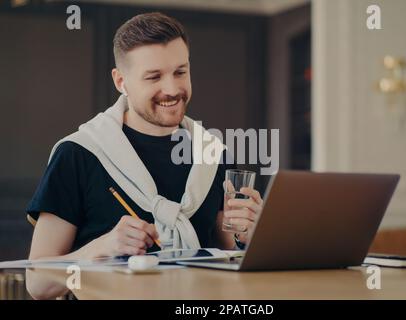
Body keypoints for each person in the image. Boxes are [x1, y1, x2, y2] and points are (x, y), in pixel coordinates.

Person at [25, 12, 263, 300]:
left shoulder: (213, 153)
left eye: (180, 72)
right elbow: (38, 284)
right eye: (154, 77)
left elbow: (228, 257)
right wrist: (102, 248)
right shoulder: (78, 154)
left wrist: (247, 236)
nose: (173, 89)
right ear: (120, 81)